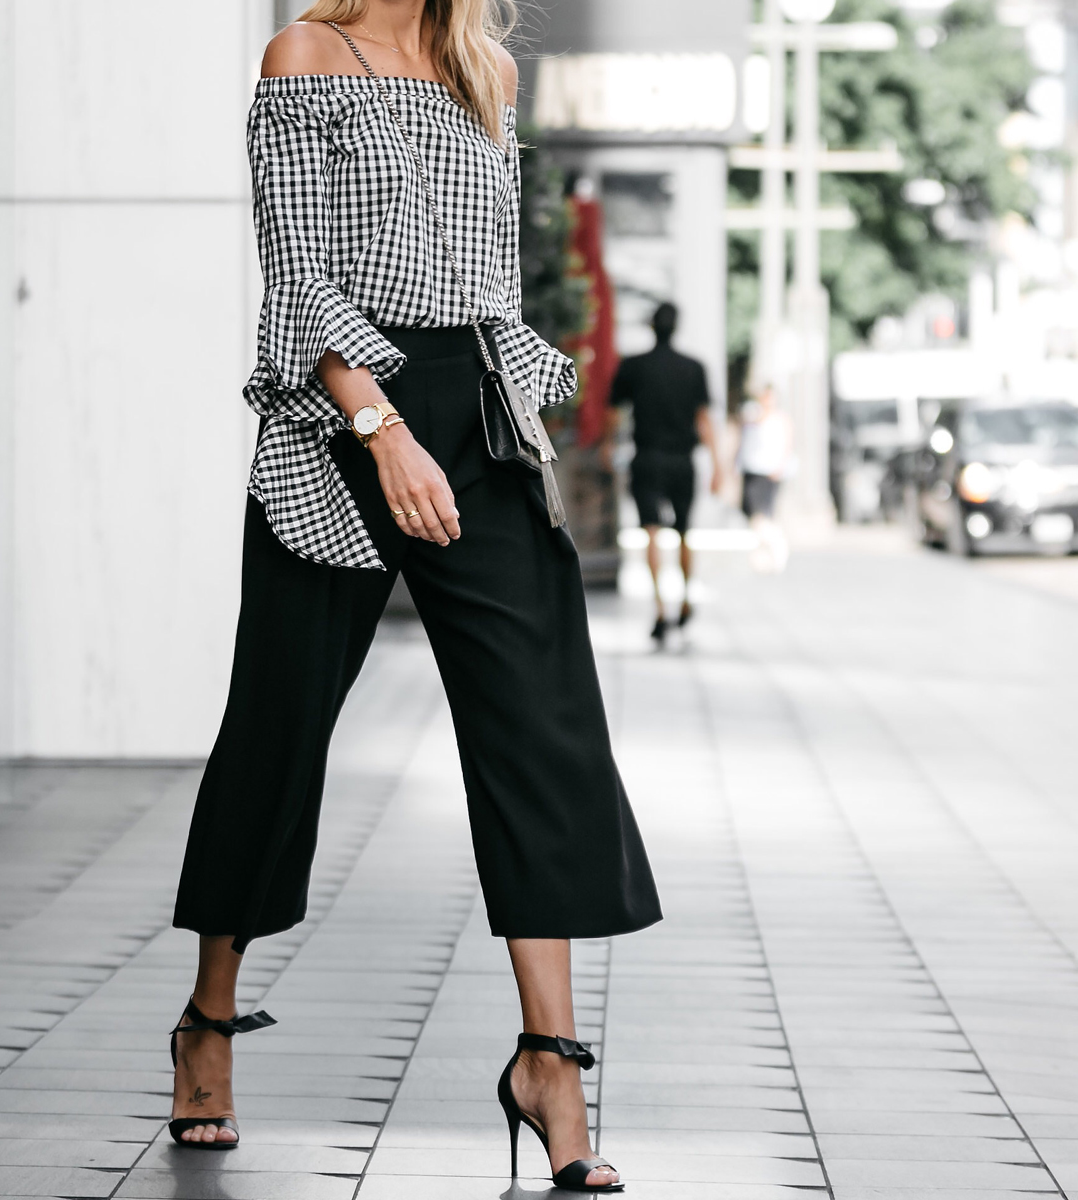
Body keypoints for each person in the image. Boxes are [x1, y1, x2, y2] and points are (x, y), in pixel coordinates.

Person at [166, 2, 661, 1193]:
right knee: (279, 728)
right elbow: (297, 264)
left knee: (541, 730)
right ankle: (209, 1021)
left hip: (475, 412)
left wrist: (509, 413)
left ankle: (551, 1063)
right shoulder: (305, 55)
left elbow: (492, 271)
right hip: (341, 418)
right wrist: (379, 426)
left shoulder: (475, 66)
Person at [609, 302, 722, 645]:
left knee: (651, 532)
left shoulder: (633, 366)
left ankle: (660, 609)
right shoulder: (694, 368)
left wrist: (606, 448)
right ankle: (686, 599)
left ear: (651, 326)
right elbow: (704, 421)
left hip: (647, 457)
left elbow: (614, 415)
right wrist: (719, 466)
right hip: (682, 460)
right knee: (685, 531)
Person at [738, 383, 792, 572]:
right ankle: (765, 552)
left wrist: (780, 465)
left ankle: (777, 547)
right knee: (754, 513)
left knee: (762, 514)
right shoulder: (753, 416)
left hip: (768, 471)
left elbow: (787, 443)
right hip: (752, 469)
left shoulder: (780, 419)